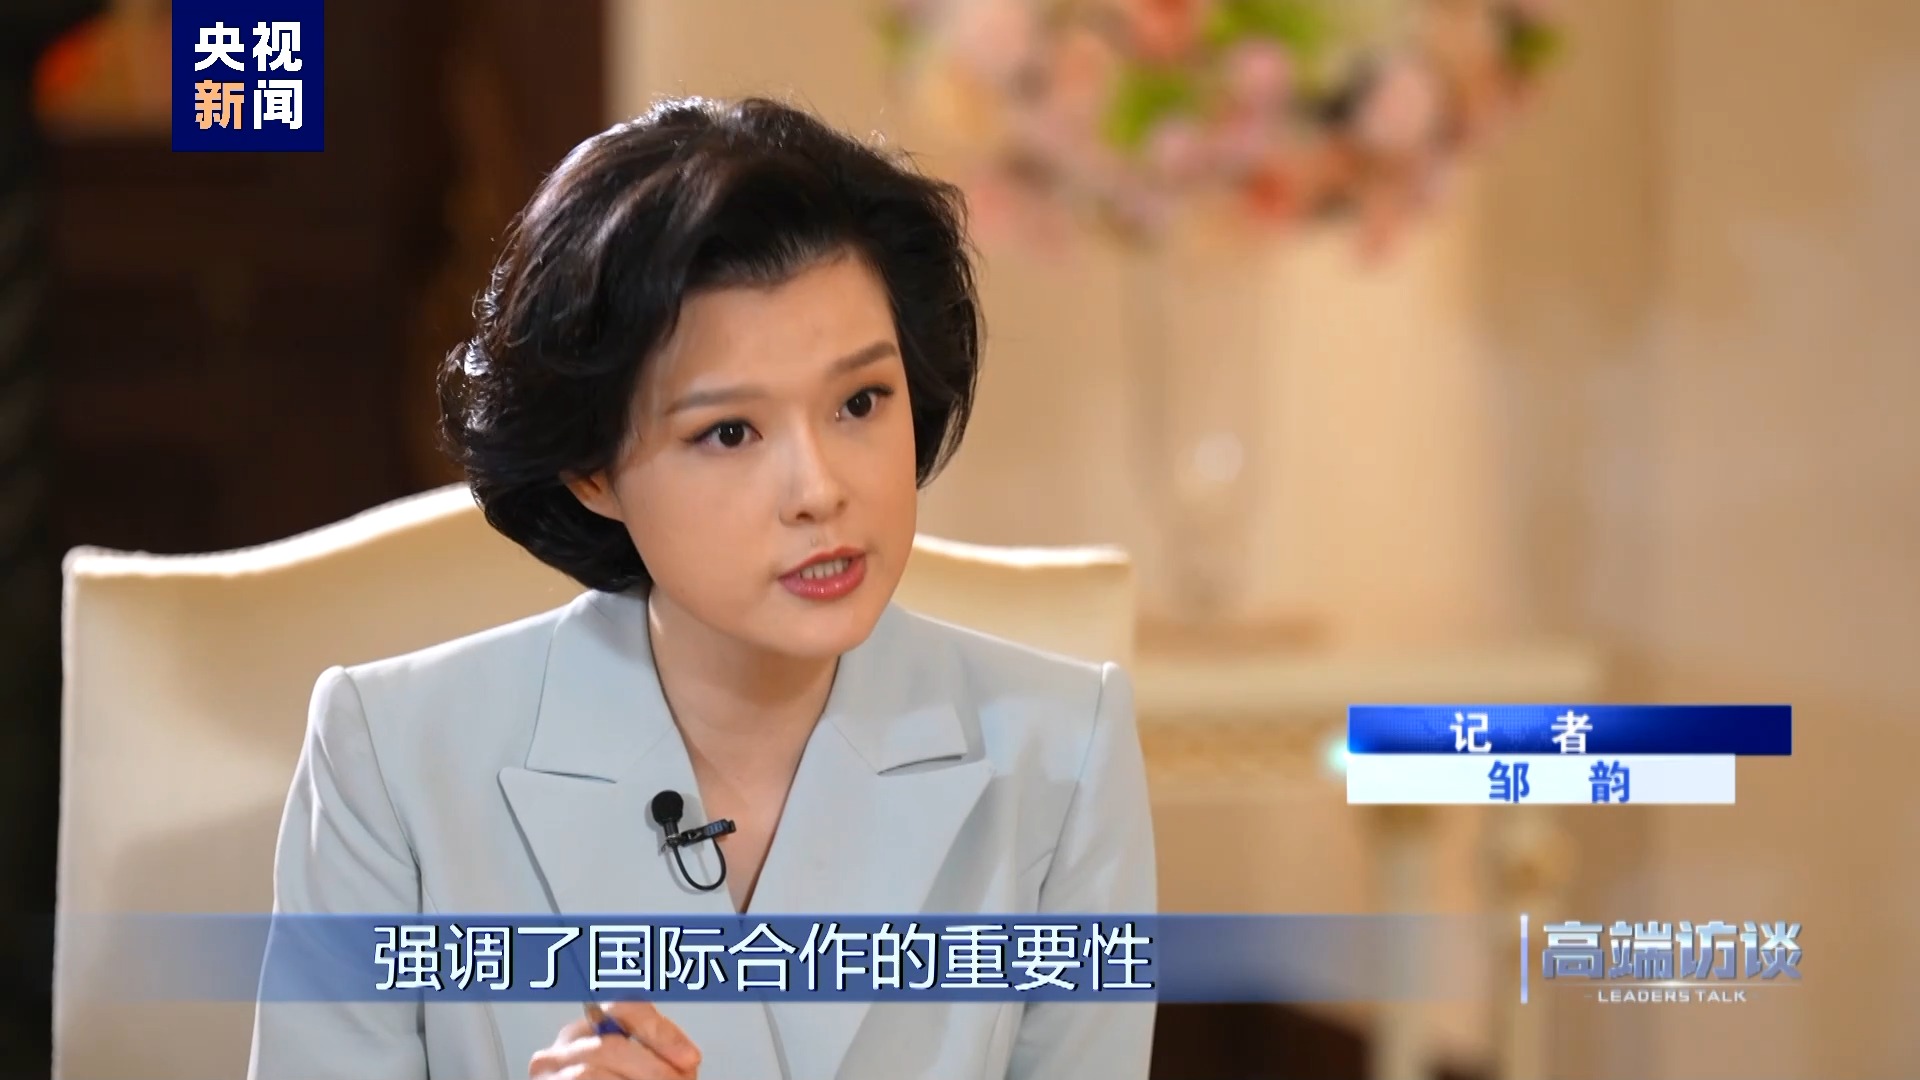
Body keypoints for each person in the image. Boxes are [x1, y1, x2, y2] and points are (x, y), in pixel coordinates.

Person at [247, 96, 1156, 1080]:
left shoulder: (1064, 752)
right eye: (729, 432)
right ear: (591, 470)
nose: (820, 491)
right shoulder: (391, 759)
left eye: (861, 401)